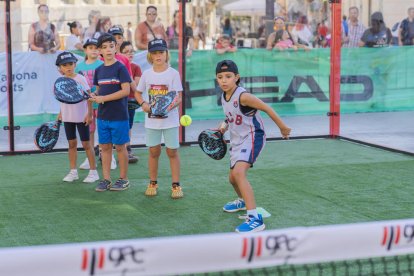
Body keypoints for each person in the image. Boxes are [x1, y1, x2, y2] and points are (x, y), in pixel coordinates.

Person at [215, 59, 291, 233]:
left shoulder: (244, 96)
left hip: (252, 137)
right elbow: (230, 116)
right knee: (232, 178)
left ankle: (255, 218)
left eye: (228, 76)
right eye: (220, 77)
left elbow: (266, 108)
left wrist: (282, 127)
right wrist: (223, 127)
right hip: (237, 140)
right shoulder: (224, 96)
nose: (224, 80)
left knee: (239, 173)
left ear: (237, 77)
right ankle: (242, 201)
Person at [135, 39, 184, 199]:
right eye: (155, 53)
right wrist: (143, 103)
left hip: (170, 121)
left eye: (161, 52)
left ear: (166, 54)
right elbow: (137, 92)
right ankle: (153, 183)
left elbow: (178, 97)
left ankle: (176, 185)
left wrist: (167, 108)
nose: (158, 56)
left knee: (172, 152)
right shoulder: (147, 74)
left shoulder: (173, 73)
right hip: (152, 122)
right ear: (150, 55)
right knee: (153, 152)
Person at [90, 34, 132, 192]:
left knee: (121, 148)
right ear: (100, 50)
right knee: (105, 148)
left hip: (119, 116)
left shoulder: (121, 68)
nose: (108, 50)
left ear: (116, 48)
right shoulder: (98, 70)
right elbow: (98, 90)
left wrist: (103, 98)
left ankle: (123, 179)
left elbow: (126, 91)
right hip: (102, 117)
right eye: (104, 47)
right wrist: (94, 96)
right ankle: (106, 179)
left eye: (111, 46)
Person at [55, 51, 99, 184]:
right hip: (67, 117)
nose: (68, 67)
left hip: (81, 117)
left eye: (70, 64)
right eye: (64, 65)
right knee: (72, 144)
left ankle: (93, 172)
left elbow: (89, 97)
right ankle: (73, 172)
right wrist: (61, 113)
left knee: (86, 144)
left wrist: (89, 113)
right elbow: (62, 98)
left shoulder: (80, 79)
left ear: (75, 64)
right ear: (60, 68)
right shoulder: (60, 81)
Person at [76, 38, 104, 170]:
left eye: (96, 48)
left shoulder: (102, 64)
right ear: (85, 50)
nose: (94, 50)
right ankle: (90, 157)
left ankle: (106, 156)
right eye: (91, 48)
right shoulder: (79, 67)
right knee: (90, 131)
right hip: (87, 105)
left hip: (102, 102)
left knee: (104, 129)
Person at [121, 41, 142, 164]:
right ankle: (110, 151)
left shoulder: (136, 67)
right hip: (117, 101)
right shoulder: (117, 66)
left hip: (130, 101)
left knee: (128, 125)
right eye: (126, 52)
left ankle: (127, 149)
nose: (130, 54)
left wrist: (126, 70)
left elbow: (136, 86)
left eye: (131, 51)